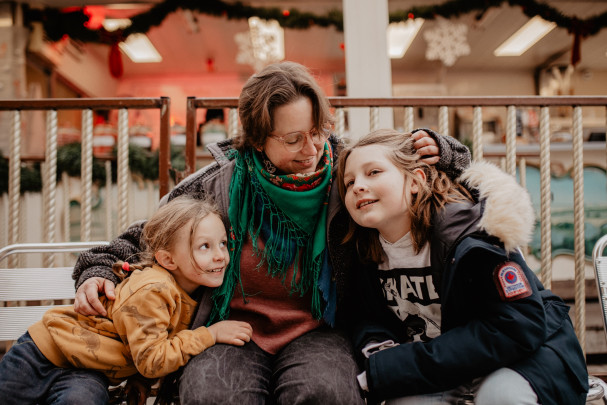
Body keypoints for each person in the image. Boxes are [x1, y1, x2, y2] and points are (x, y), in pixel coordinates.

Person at [71, 61, 471, 404]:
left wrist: (445, 150)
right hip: (228, 327)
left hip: (320, 328)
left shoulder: (348, 173)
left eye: (317, 131)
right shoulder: (219, 185)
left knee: (328, 394)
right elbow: (146, 237)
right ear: (259, 140)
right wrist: (98, 271)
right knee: (214, 396)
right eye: (293, 139)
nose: (312, 149)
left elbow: (435, 176)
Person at [336, 129, 589, 405]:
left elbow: (519, 324)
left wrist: (399, 364)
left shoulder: (471, 235)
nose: (358, 185)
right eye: (349, 183)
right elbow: (368, 317)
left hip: (519, 357)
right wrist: (379, 351)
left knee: (501, 398)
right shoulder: (363, 250)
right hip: (442, 367)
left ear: (415, 181)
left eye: (373, 172)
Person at [0, 195, 252, 405]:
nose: (221, 256)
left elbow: (144, 342)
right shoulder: (153, 289)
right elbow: (153, 360)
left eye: (222, 244)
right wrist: (211, 335)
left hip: (90, 370)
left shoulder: (190, 289)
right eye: (204, 247)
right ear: (167, 259)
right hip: (41, 355)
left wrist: (139, 380)